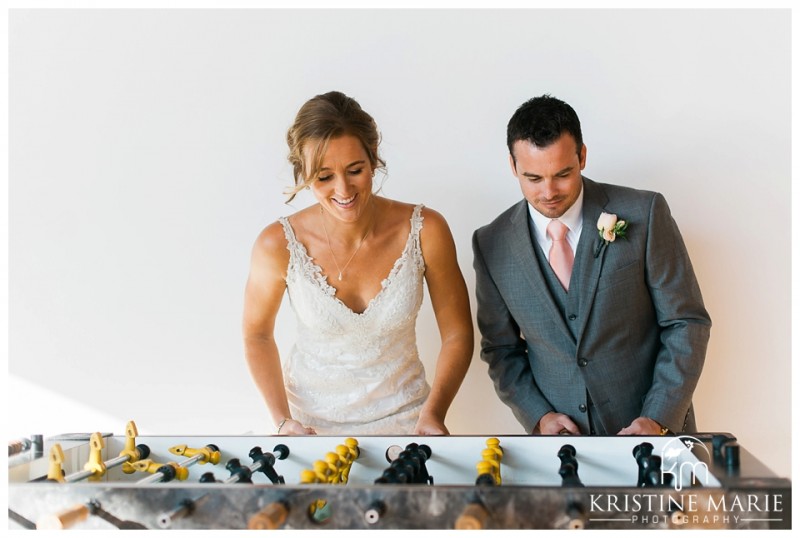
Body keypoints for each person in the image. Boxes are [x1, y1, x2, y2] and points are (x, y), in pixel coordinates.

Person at [472, 94, 711, 436]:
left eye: (563, 174)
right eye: (533, 178)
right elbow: (501, 349)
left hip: (654, 431)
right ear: (513, 166)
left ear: (582, 156)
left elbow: (686, 322)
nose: (549, 191)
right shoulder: (491, 243)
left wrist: (657, 417)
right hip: (560, 448)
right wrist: (538, 416)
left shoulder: (645, 213)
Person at [243, 91, 473, 436]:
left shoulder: (427, 230)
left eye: (355, 170)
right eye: (323, 177)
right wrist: (282, 421)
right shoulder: (276, 244)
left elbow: (457, 333)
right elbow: (257, 334)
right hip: (308, 434)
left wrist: (434, 413)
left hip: (411, 428)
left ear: (373, 159)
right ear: (303, 173)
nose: (343, 189)